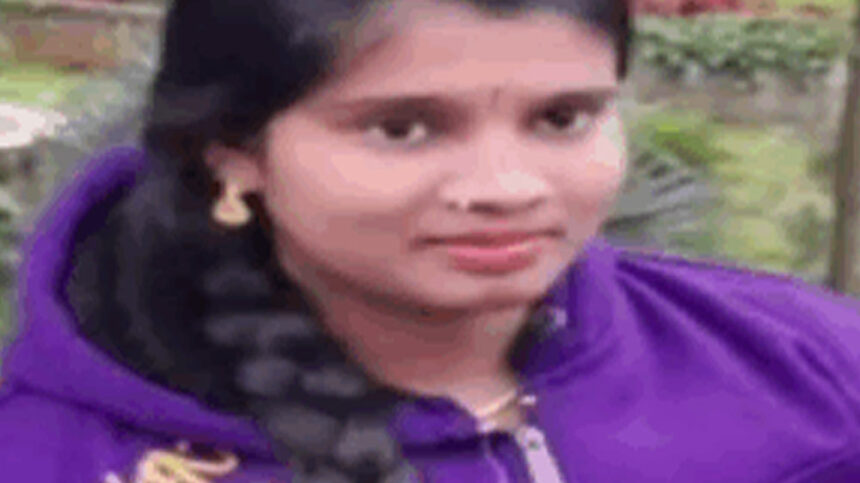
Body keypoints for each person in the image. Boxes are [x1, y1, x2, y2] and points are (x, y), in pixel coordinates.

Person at [2, 0, 860, 481]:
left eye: (563, 117)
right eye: (403, 129)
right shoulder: (51, 451)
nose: (507, 187)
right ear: (232, 152)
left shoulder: (806, 365)